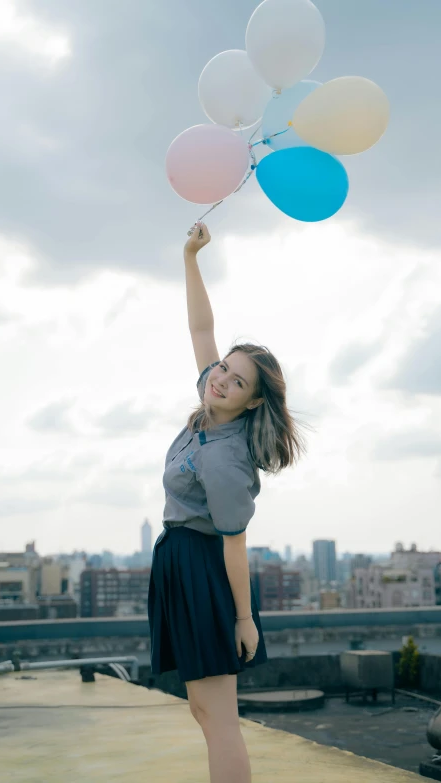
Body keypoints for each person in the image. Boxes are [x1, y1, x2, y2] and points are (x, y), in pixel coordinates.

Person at [147, 222, 307, 783]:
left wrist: (244, 620)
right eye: (223, 368)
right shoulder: (209, 411)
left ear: (253, 400)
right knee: (205, 711)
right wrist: (190, 256)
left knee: (219, 719)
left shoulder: (226, 455)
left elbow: (234, 544)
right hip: (181, 563)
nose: (220, 379)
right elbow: (201, 327)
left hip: (204, 569)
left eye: (237, 382)